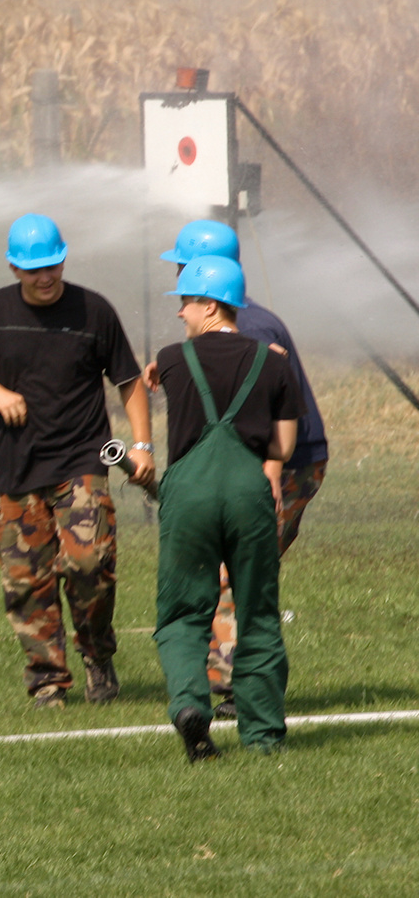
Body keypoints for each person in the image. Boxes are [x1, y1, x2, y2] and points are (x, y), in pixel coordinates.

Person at [0, 214, 154, 708]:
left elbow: (128, 381)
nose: (45, 277)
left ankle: (98, 656)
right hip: (16, 468)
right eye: (34, 269)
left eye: (53, 265)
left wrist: (142, 446)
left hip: (81, 458)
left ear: (63, 259)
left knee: (88, 564)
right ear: (14, 268)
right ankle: (47, 681)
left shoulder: (93, 311)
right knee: (26, 580)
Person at [157, 219, 328, 718]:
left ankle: (235, 688)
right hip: (260, 462)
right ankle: (230, 683)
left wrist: (270, 467)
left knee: (239, 573)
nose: (178, 287)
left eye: (181, 268)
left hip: (281, 464)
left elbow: (263, 424)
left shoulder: (249, 330)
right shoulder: (247, 319)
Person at [146, 255, 299, 760]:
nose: (180, 314)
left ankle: (191, 706)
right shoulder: (275, 363)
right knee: (256, 613)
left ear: (209, 306)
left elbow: (156, 376)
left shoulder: (170, 358)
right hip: (247, 493)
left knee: (183, 614)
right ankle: (264, 736)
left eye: (186, 303)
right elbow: (283, 448)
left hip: (188, 493)